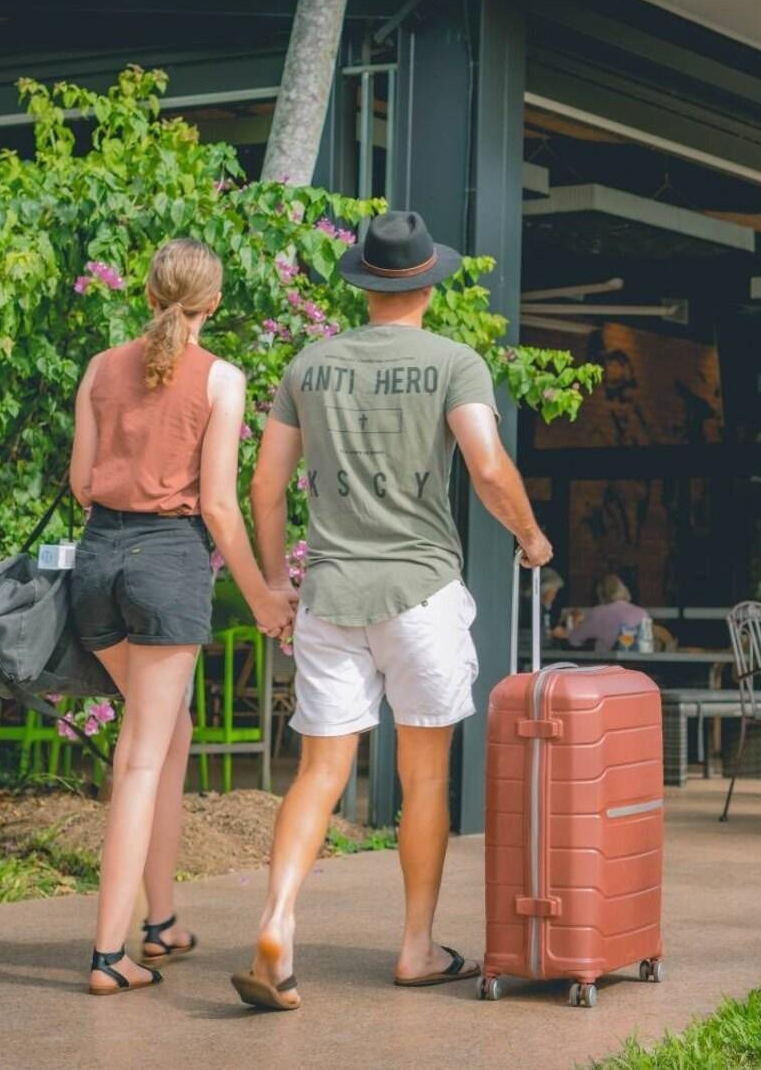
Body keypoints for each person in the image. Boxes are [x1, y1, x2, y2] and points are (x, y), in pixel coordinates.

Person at [236, 211, 551, 1011]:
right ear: (430, 284)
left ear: (364, 284)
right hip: (420, 595)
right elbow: (486, 465)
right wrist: (530, 534)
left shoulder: (309, 364)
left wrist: (275, 584)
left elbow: (265, 487)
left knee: (319, 772)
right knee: (424, 778)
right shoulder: (454, 361)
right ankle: (415, 948)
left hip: (331, 595)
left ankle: (277, 922)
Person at [67, 238, 297, 996]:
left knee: (169, 734)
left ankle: (161, 923)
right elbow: (222, 505)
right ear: (216, 304)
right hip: (166, 564)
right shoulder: (222, 379)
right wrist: (265, 596)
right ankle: (108, 956)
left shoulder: (101, 368)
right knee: (140, 756)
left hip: (97, 562)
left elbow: (80, 483)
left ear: (145, 293)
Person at [564, 573, 651, 651]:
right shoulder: (642, 612)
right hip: (636, 665)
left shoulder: (596, 613)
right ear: (623, 589)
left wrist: (575, 625)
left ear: (600, 593)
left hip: (605, 664)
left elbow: (574, 640)